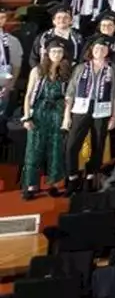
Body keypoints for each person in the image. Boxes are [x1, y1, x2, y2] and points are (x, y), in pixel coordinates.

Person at [64, 35, 115, 194]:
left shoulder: (113, 69)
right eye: (97, 48)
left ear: (107, 52)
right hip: (80, 109)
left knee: (98, 145)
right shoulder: (81, 67)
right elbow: (70, 92)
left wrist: (114, 116)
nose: (100, 51)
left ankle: (91, 176)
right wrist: (67, 115)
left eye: (103, 49)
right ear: (92, 50)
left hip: (102, 110)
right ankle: (72, 177)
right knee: (72, 146)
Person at [20, 37, 70, 199]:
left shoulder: (67, 72)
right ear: (47, 53)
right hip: (40, 111)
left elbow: (69, 98)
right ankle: (31, 185)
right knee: (34, 148)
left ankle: (54, 184)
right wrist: (27, 117)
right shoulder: (38, 70)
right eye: (54, 51)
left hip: (58, 112)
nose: (57, 54)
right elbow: (28, 95)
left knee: (56, 149)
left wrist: (65, 119)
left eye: (60, 51)